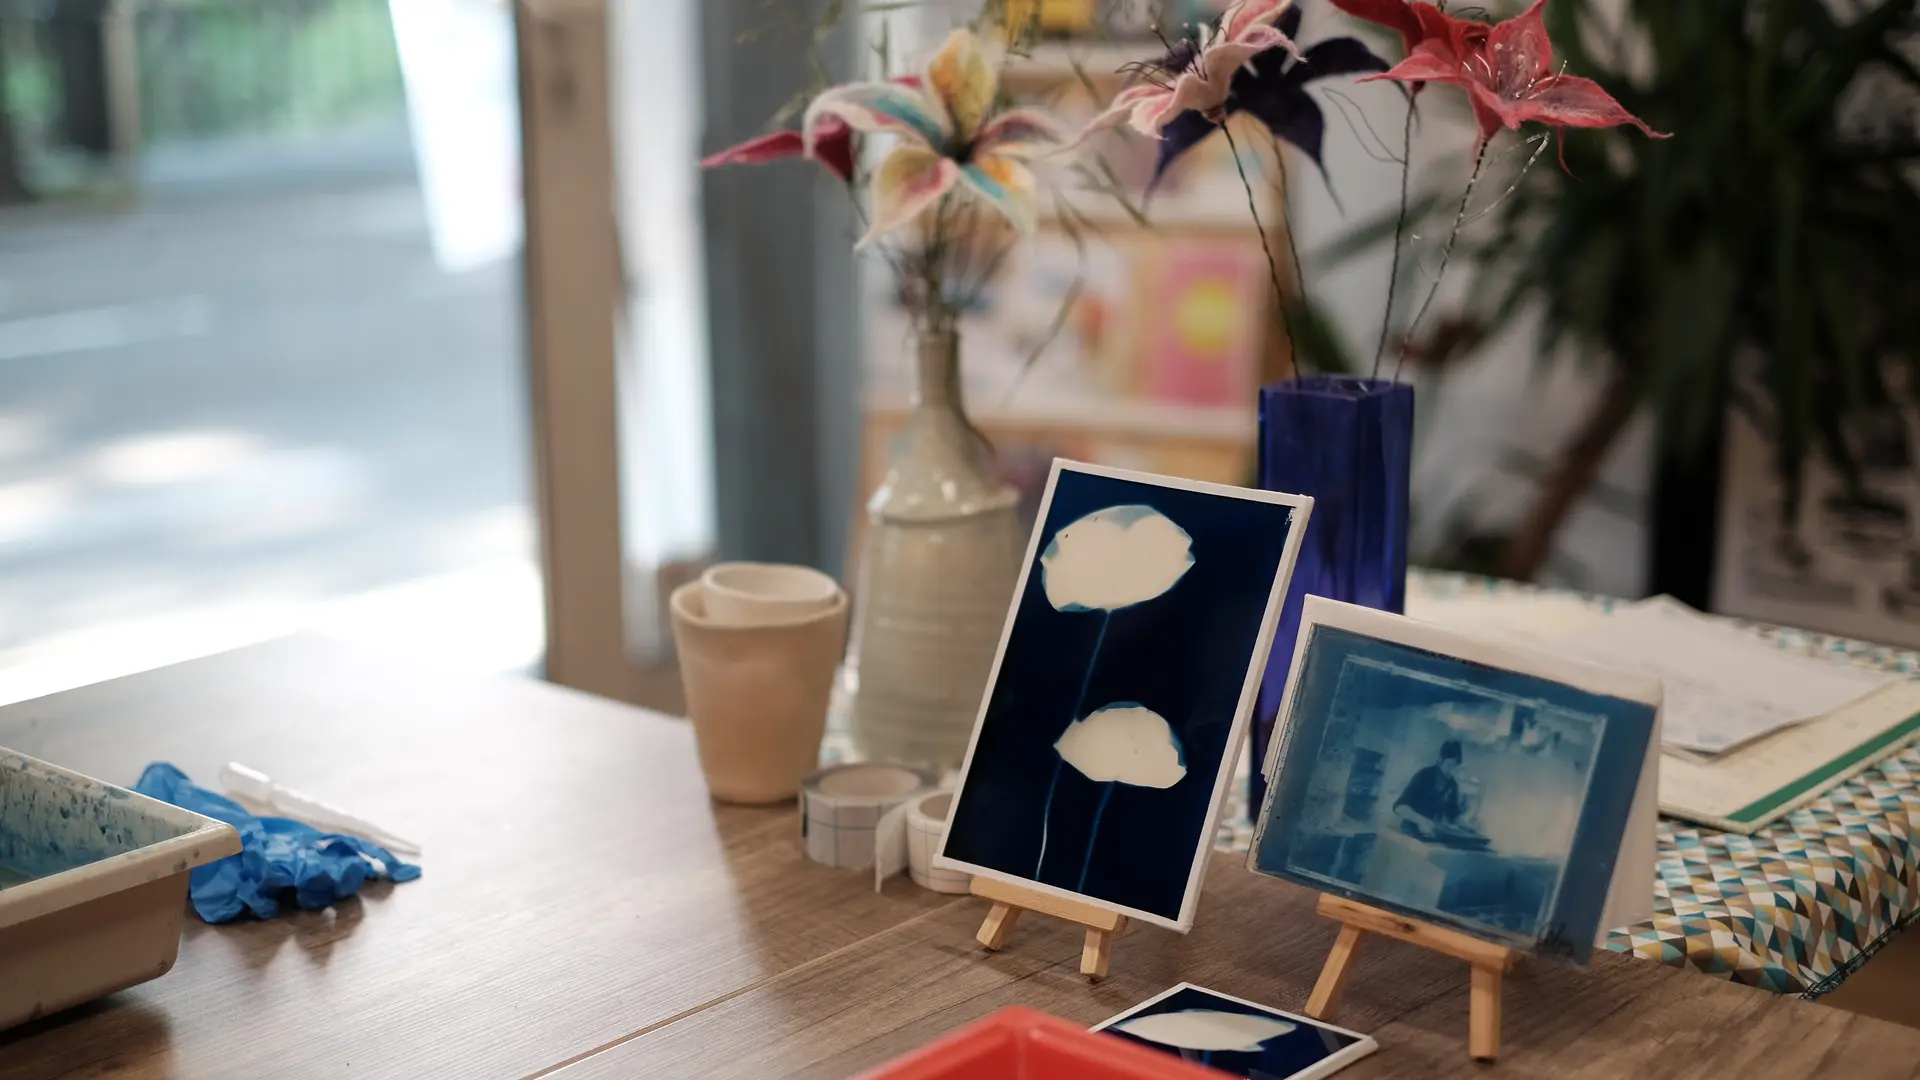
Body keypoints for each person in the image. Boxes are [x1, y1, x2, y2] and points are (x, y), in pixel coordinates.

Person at [1393, 740, 1465, 839]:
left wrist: (1464, 824)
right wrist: (1420, 820)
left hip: (1430, 835)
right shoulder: (1424, 775)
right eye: (1449, 765)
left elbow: (1453, 815)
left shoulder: (1452, 785)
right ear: (1440, 760)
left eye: (1455, 766)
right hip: (1408, 834)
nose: (1452, 771)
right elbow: (1399, 807)